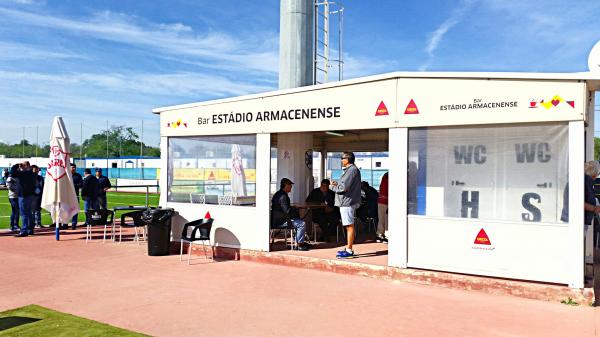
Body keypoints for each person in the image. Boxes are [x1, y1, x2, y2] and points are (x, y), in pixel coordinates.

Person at [331, 152, 362, 259]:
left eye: (342, 158)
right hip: (347, 201)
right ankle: (348, 248)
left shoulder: (351, 170)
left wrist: (333, 187)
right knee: (349, 225)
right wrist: (338, 184)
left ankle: (349, 250)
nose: (341, 160)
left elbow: (344, 188)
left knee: (349, 225)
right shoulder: (352, 170)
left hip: (347, 202)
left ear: (347, 159)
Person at [271, 178, 309, 251]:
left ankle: (298, 241)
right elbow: (287, 211)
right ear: (286, 186)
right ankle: (299, 244)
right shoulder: (283, 196)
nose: (291, 187)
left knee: (298, 220)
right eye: (290, 185)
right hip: (281, 221)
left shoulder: (278, 194)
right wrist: (295, 208)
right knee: (302, 224)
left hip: (277, 219)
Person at [11, 161, 37, 237]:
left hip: (23, 195)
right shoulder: (33, 174)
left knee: (23, 213)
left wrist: (16, 165)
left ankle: (24, 230)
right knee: (29, 213)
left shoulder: (22, 174)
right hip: (31, 195)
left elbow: (12, 172)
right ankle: (30, 229)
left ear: (25, 166)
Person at [69, 164, 83, 230]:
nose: (74, 168)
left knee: (75, 210)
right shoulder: (66, 175)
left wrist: (74, 185)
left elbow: (81, 184)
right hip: (66, 195)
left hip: (75, 195)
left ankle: (74, 224)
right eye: (72, 167)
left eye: (75, 167)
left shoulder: (78, 176)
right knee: (66, 209)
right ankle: (65, 224)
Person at [376, 172, 389, 243]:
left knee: (381, 218)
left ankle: (379, 234)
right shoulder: (392, 179)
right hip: (387, 201)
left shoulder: (384, 178)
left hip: (381, 200)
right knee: (387, 219)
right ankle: (387, 236)